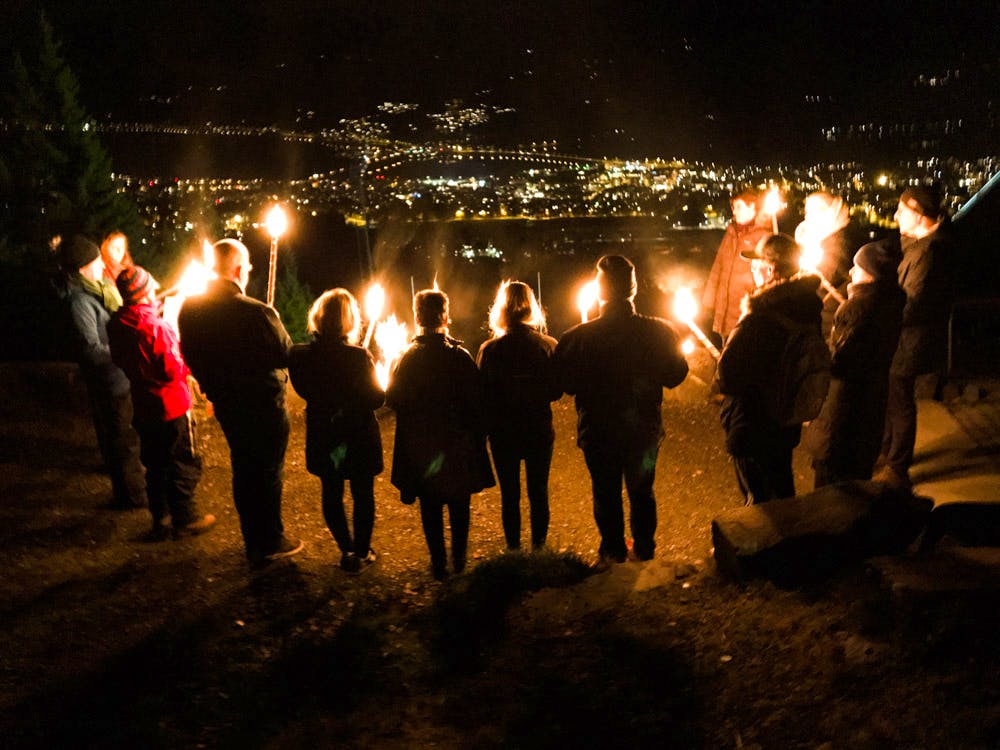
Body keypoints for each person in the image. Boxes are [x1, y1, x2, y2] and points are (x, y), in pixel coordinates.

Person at [552, 255, 688, 564]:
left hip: (598, 432)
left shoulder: (579, 338)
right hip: (644, 430)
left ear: (600, 292)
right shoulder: (659, 331)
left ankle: (612, 551)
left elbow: (562, 384)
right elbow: (676, 374)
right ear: (634, 288)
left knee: (605, 492)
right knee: (642, 491)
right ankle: (644, 550)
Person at [178, 238, 302, 566]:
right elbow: (286, 354)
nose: (247, 272)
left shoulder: (190, 309)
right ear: (237, 270)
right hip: (263, 406)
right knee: (268, 472)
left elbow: (189, 352)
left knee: (244, 468)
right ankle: (271, 539)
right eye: (246, 267)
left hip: (228, 405)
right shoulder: (256, 312)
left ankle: (253, 540)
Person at [387, 289, 495, 580]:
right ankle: (458, 560)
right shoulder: (459, 356)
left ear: (417, 316)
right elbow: (477, 401)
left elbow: (395, 400)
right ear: (445, 316)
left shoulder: (407, 359)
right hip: (457, 446)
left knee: (431, 506)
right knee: (460, 503)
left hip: (423, 448)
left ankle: (439, 564)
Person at [107, 265, 215, 539]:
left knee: (155, 463)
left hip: (143, 405)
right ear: (145, 292)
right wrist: (177, 338)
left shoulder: (117, 323)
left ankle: (161, 518)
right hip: (172, 405)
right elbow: (173, 369)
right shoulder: (156, 327)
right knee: (182, 460)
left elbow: (123, 356)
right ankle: (186, 517)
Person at [717, 234, 824, 504]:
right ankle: (792, 539)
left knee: (759, 501)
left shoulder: (761, 317)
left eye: (757, 265)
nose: (752, 271)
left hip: (753, 424)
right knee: (781, 487)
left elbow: (728, 376)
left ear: (771, 269)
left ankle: (765, 544)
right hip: (784, 420)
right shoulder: (806, 307)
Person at [289, 288, 384, 573]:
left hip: (323, 433)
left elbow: (305, 389)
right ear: (349, 320)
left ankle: (346, 549)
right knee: (362, 492)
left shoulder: (299, 354)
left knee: (331, 491)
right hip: (357, 434)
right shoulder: (357, 357)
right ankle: (362, 552)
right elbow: (376, 399)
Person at [56, 235, 147, 510]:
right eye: (96, 262)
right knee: (123, 438)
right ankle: (132, 497)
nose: (102, 267)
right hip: (110, 381)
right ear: (83, 268)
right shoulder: (80, 303)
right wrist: (124, 352)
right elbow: (90, 349)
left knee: (119, 436)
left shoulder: (99, 289)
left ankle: (127, 486)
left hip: (118, 376)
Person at [804, 241, 905, 487]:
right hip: (869, 412)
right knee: (858, 489)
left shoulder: (857, 308)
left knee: (831, 493)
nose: (850, 272)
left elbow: (837, 362)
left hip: (842, 416)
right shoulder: (890, 302)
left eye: (857, 267)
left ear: (870, 274)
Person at [875, 185, 955, 490]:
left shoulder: (930, 253)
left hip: (909, 341)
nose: (895, 216)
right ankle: (887, 453)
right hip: (903, 337)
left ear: (919, 215)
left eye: (902, 210)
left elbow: (914, 304)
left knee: (899, 400)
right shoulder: (919, 243)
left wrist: (880, 314)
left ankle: (897, 466)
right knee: (892, 396)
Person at [476, 281, 559, 551]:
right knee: (538, 492)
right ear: (531, 307)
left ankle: (513, 549)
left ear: (501, 309)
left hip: (503, 432)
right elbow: (556, 390)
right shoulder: (547, 345)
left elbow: (482, 392)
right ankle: (538, 548)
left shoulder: (489, 350)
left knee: (509, 495)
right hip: (537, 428)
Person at [701, 189, 771, 342]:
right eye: (733, 207)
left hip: (744, 310)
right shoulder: (732, 233)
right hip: (724, 309)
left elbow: (768, 277)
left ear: (752, 207)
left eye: (738, 206)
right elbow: (718, 267)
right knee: (726, 345)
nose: (734, 211)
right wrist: (708, 301)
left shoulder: (764, 237)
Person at [794, 191, 865, 336]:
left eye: (814, 211)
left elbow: (823, 280)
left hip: (834, 320)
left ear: (830, 212)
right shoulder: (824, 239)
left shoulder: (840, 244)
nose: (808, 216)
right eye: (807, 211)